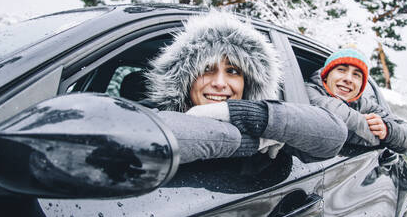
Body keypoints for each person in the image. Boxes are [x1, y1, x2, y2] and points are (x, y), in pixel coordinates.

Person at [140, 11, 348, 164]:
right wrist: (251, 143)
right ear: (187, 77)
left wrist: (249, 116)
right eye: (206, 69)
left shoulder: (266, 128)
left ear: (248, 81)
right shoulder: (149, 113)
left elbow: (334, 135)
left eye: (233, 71)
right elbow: (150, 139)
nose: (220, 83)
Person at [306, 46, 407, 153]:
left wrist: (387, 130)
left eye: (356, 75)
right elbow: (341, 120)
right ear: (326, 75)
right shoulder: (306, 92)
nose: (348, 79)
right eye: (341, 70)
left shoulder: (363, 104)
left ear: (361, 85)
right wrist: (378, 135)